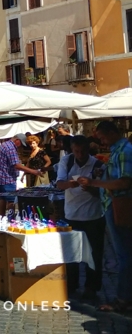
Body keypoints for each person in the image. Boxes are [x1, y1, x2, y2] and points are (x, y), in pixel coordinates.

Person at [77, 121, 132, 313]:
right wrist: (105, 173)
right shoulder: (118, 150)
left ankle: (123, 299)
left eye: (102, 137)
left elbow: (124, 182)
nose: (101, 142)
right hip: (113, 205)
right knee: (124, 254)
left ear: (111, 132)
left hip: (119, 206)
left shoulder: (125, 151)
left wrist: (94, 182)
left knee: (124, 255)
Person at [55, 135, 105, 301]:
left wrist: (90, 186)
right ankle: (71, 285)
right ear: (72, 149)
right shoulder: (67, 161)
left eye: (83, 151)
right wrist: (70, 184)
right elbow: (59, 184)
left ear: (88, 149)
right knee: (71, 254)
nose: (80, 154)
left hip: (93, 216)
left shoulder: (98, 165)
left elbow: (103, 193)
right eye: (76, 151)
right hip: (71, 215)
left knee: (94, 255)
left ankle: (91, 287)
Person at [0, 133, 45, 216]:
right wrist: (33, 171)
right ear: (17, 140)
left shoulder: (5, 144)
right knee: (11, 200)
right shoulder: (10, 148)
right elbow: (16, 165)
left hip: (1, 177)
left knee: (3, 198)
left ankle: (2, 217)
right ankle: (10, 219)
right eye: (21, 143)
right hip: (7, 178)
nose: (20, 146)